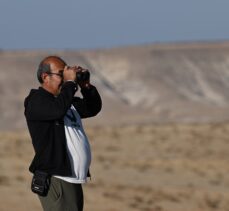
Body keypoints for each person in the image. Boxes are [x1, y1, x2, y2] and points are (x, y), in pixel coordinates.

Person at [24, 56, 102, 211]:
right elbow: (56, 111)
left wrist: (85, 85)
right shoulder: (36, 100)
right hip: (56, 178)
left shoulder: (65, 101)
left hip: (71, 178)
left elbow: (92, 108)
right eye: (62, 74)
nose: (67, 77)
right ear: (45, 77)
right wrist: (71, 84)